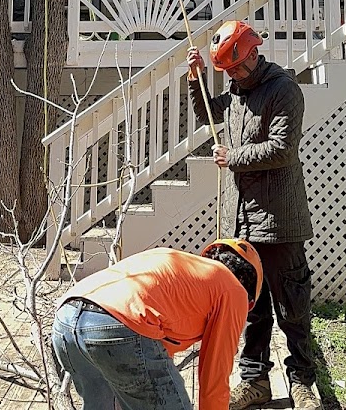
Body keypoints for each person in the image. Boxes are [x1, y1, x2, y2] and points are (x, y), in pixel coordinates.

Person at [187, 21, 320, 410]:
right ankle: (255, 381)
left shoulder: (284, 90)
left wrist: (234, 158)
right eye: (225, 72)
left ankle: (302, 383)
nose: (231, 76)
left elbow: (283, 148)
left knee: (292, 306)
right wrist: (196, 80)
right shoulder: (236, 90)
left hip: (280, 221)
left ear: (251, 54)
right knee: (251, 309)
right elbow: (209, 117)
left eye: (235, 68)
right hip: (241, 222)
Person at [51, 239, 263, 410]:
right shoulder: (234, 291)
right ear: (250, 300)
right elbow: (214, 380)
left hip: (66, 319)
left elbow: (154, 352)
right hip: (117, 325)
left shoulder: (185, 271)